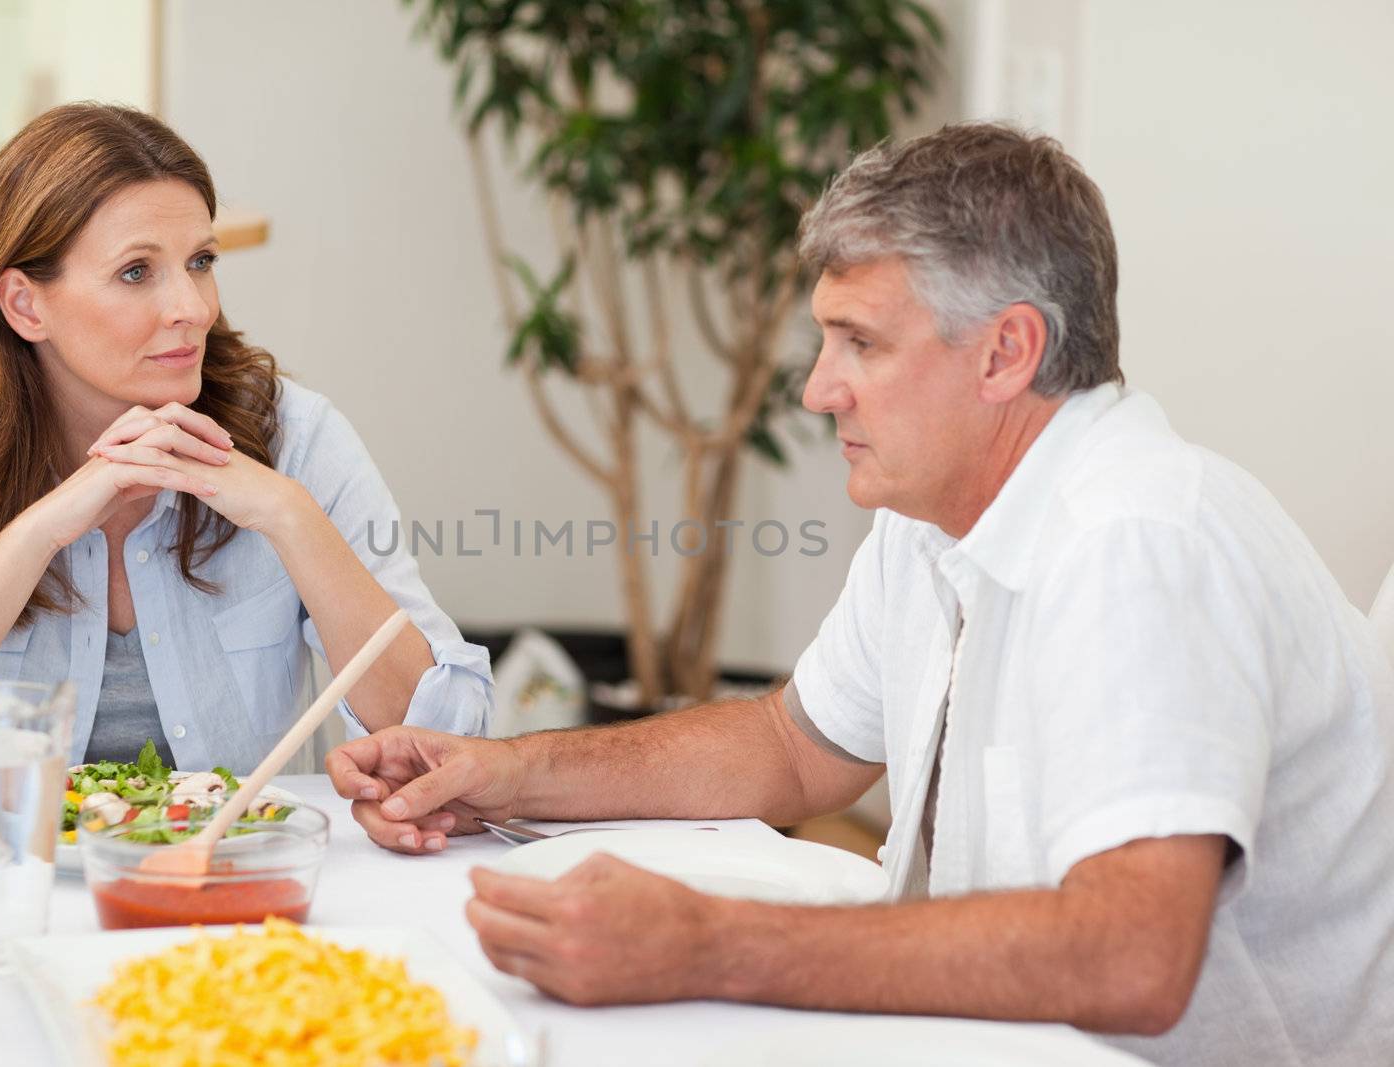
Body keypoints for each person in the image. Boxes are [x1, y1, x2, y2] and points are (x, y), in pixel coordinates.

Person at [326, 124, 1394, 1065]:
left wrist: (708, 944)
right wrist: (507, 771)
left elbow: (1130, 957)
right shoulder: (934, 518)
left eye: (861, 343)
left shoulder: (1138, 542)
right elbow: (795, 745)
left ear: (1005, 352)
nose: (814, 388)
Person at [0, 103, 490, 812]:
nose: (191, 307)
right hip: (1, 887)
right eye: (136, 273)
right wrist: (37, 534)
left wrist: (291, 515)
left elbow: (444, 746)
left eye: (200, 262)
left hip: (234, 895)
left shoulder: (295, 441)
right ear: (26, 305)